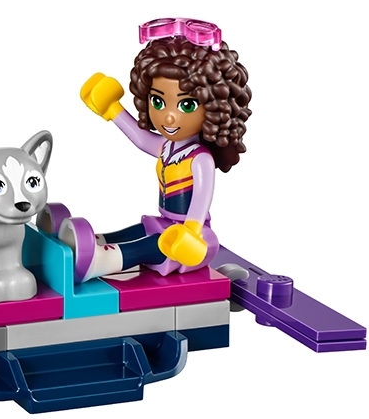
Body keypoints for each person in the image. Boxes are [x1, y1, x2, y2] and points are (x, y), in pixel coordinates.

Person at [58, 18, 251, 283]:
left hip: (190, 238)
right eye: (158, 101)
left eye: (186, 105)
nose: (168, 117)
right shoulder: (167, 147)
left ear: (214, 108)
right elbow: (140, 138)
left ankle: (102, 260)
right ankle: (93, 243)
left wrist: (191, 232)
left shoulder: (200, 159)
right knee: (137, 231)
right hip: (165, 223)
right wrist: (112, 109)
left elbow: (200, 202)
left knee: (154, 244)